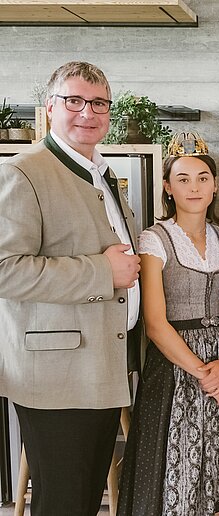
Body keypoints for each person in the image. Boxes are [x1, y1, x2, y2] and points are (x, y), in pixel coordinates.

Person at [0, 61, 140, 515]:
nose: (87, 112)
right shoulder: (24, 173)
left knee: (81, 500)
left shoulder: (101, 172)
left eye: (98, 103)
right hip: (55, 375)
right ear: (49, 108)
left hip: (99, 368)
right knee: (62, 502)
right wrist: (101, 272)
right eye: (74, 101)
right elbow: (6, 270)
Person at [118, 132, 219, 515]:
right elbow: (155, 323)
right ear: (167, 187)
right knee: (177, 471)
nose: (195, 187)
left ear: (215, 186)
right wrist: (203, 373)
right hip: (176, 365)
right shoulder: (154, 240)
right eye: (184, 179)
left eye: (203, 178)